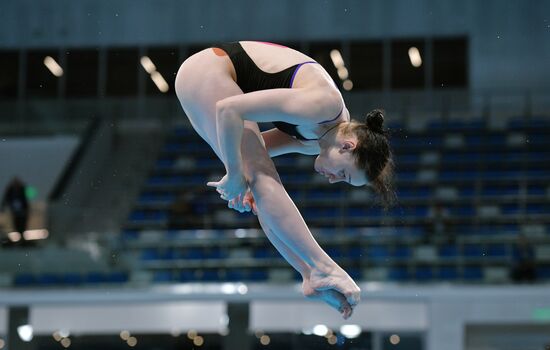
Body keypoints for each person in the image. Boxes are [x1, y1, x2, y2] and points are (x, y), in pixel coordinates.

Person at [174, 41, 395, 319]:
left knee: (259, 180)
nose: (333, 180)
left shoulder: (312, 143)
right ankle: (323, 267)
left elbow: (254, 153)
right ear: (347, 146)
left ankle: (307, 273)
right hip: (208, 69)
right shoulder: (325, 105)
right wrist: (235, 172)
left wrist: (242, 176)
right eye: (344, 174)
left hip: (205, 83)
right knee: (260, 174)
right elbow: (228, 110)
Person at [1, 176, 29, 245]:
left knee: (22, 226)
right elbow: (6, 198)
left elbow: (25, 201)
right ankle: (20, 240)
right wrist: (3, 206)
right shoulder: (11, 190)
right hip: (15, 212)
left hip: (22, 212)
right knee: (16, 225)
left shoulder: (22, 189)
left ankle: (22, 240)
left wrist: (26, 210)